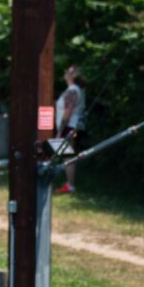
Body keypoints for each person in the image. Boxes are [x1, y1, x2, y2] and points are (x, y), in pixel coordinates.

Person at [54, 64, 86, 195]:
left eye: (68, 71)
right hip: (72, 126)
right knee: (68, 155)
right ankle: (69, 184)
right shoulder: (74, 89)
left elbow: (68, 111)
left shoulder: (72, 90)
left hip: (69, 126)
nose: (65, 72)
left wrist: (60, 131)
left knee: (68, 156)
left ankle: (70, 185)